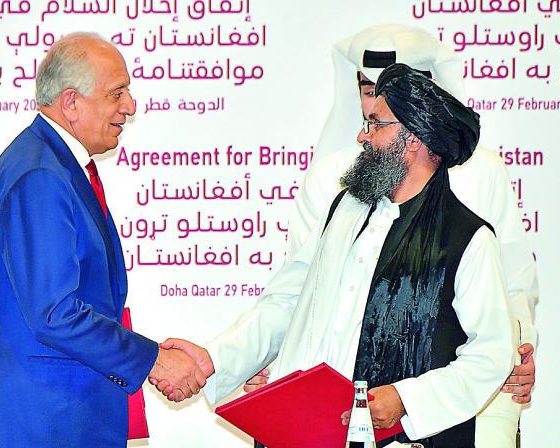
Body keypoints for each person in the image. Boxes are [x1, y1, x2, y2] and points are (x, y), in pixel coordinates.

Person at [165, 63, 516, 446]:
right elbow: (289, 303)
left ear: (412, 139)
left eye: (375, 124)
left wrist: (406, 399)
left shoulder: (467, 238)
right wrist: (213, 360)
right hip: (308, 430)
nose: (362, 136)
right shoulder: (344, 210)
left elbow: (491, 354)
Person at [244, 24, 536, 446]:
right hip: (333, 406)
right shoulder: (339, 186)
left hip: (447, 402)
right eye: (366, 89)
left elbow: (510, 291)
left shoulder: (481, 184)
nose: (365, 129)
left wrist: (518, 349)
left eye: (378, 120)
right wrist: (270, 361)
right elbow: (301, 296)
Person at [0, 32, 206, 448]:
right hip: (31, 422)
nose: (130, 107)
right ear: (71, 103)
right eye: (117, 94)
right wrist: (152, 359)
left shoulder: (50, 164)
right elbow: (55, 313)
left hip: (48, 416)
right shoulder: (41, 176)